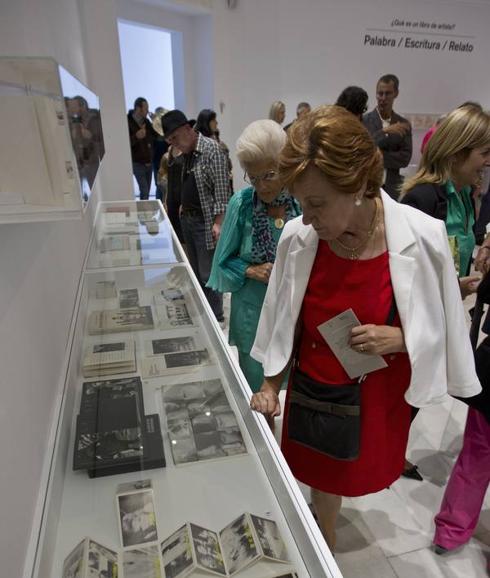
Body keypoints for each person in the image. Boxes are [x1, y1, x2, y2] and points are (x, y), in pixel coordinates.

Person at [249, 105, 481, 551]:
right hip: (315, 382)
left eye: (317, 203)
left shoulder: (422, 235)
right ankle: (325, 533)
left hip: (375, 389)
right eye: (302, 203)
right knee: (319, 469)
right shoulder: (299, 237)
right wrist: (270, 384)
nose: (308, 217)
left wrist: (401, 339)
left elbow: (449, 325)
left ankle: (326, 530)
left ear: (356, 186)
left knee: (356, 464)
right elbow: (281, 317)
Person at [207, 120, 301, 391]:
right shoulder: (242, 203)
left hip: (292, 314)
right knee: (258, 391)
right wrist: (251, 270)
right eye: (253, 177)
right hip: (252, 315)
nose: (261, 186)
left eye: (269, 175)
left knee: (291, 388)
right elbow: (221, 264)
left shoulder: (300, 203)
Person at [401, 105, 490, 286]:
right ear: (457, 153)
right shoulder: (422, 199)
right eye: (485, 153)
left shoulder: (465, 195)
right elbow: (407, 277)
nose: (488, 162)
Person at [161, 110, 231, 322]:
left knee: (208, 273)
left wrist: (219, 222)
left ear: (187, 129)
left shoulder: (212, 150)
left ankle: (215, 317)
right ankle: (203, 315)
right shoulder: (186, 155)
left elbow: (222, 191)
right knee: (195, 272)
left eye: (175, 138)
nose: (174, 144)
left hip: (205, 222)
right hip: (189, 221)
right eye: (170, 141)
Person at [363, 74, 412, 199]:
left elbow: (405, 158)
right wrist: (385, 131)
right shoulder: (364, 121)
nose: (383, 98)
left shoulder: (403, 124)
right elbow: (363, 150)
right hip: (366, 185)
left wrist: (376, 156)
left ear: (396, 93)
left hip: (392, 187)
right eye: (380, 93)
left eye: (388, 93)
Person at [127, 97, 158, 200]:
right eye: (146, 108)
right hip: (137, 163)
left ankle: (145, 212)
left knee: (147, 190)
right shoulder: (127, 122)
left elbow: (157, 136)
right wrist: (136, 137)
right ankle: (142, 214)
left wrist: (156, 122)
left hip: (149, 163)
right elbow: (124, 144)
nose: (148, 111)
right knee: (144, 190)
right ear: (138, 108)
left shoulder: (147, 122)